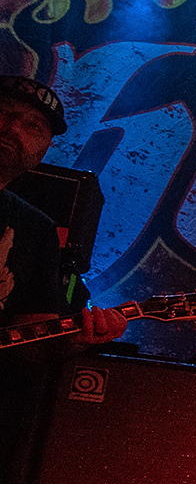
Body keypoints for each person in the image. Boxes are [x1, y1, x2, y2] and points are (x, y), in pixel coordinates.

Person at [0, 75, 124, 346]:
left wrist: (77, 339)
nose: (14, 129)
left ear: (45, 149)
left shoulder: (37, 229)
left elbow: (34, 343)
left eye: (34, 126)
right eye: (4, 113)